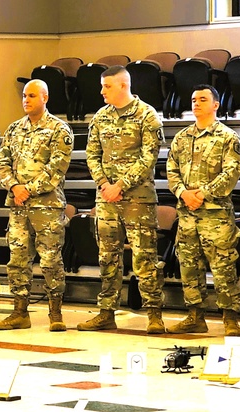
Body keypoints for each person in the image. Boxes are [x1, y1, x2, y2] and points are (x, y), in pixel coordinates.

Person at [81, 65, 164, 333]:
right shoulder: (100, 118)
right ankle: (106, 312)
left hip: (137, 200)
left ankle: (154, 313)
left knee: (144, 257)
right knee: (107, 257)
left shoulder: (146, 115)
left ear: (123, 86)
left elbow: (149, 157)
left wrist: (122, 185)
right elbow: (92, 154)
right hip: (106, 199)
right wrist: (105, 185)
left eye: (107, 86)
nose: (101, 91)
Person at [0, 80, 73, 331]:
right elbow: (2, 163)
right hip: (18, 207)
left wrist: (29, 189)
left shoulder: (59, 129)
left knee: (50, 260)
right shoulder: (15, 129)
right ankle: (19, 311)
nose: (26, 100)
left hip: (47, 206)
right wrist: (14, 187)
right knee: (17, 259)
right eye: (24, 96)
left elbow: (56, 169)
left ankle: (55, 312)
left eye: (32, 95)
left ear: (45, 97)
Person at [166, 84, 240, 336]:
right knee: (189, 266)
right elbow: (171, 171)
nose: (196, 103)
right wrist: (183, 193)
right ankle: (195, 316)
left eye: (202, 99)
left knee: (223, 268)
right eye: (193, 99)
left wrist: (203, 193)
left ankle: (230, 318)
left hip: (216, 215)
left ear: (216, 105)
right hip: (187, 214)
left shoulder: (227, 137)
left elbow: (231, 173)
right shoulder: (181, 137)